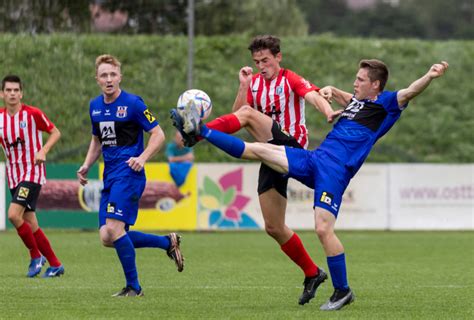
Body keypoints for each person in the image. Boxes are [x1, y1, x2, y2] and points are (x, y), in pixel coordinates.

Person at [176, 59, 449, 310]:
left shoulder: (386, 104)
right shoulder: (358, 102)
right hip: (314, 159)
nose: (355, 82)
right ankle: (201, 131)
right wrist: (331, 90)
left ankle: (342, 291)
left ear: (375, 85)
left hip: (335, 172)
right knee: (259, 150)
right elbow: (348, 96)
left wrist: (429, 75)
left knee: (322, 228)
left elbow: (410, 91)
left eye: (360, 79)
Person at [171, 35, 340, 305]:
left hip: (291, 145)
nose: (261, 66)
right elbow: (238, 115)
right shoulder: (256, 83)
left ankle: (197, 133)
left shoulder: (290, 78)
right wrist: (243, 85)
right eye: (257, 62)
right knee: (273, 226)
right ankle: (312, 273)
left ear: (278, 57)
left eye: (266, 60)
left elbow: (313, 96)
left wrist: (329, 112)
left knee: (248, 116)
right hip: (270, 154)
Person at [76, 54, 184, 297]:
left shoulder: (134, 104)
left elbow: (158, 134)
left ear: (120, 77)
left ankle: (134, 287)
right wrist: (86, 165)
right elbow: (97, 140)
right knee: (107, 236)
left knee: (114, 229)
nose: (109, 79)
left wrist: (142, 157)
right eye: (104, 75)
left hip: (129, 174)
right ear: (97, 79)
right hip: (110, 175)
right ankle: (168, 243)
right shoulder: (94, 106)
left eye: (113, 74)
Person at [0, 75, 64, 278]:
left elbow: (55, 132)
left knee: (12, 215)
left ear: (21, 93)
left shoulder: (32, 114)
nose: (12, 94)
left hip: (32, 172)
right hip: (13, 174)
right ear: (2, 94)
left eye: (15, 90)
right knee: (30, 223)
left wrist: (43, 150)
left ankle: (35, 256)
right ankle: (55, 264)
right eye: (8, 90)